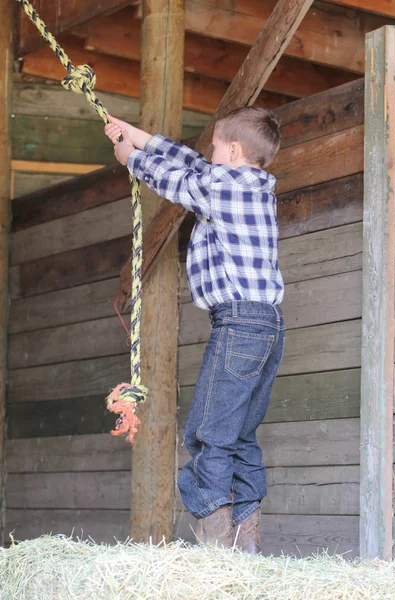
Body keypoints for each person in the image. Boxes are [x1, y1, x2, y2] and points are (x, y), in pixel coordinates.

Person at [105, 107, 285, 554]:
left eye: (216, 146)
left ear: (234, 150)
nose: (210, 153)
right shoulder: (249, 185)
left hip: (239, 323)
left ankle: (217, 546)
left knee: (206, 433)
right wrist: (139, 136)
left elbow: (181, 182)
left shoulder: (224, 188)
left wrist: (132, 159)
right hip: (265, 326)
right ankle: (245, 545)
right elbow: (193, 165)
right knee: (238, 435)